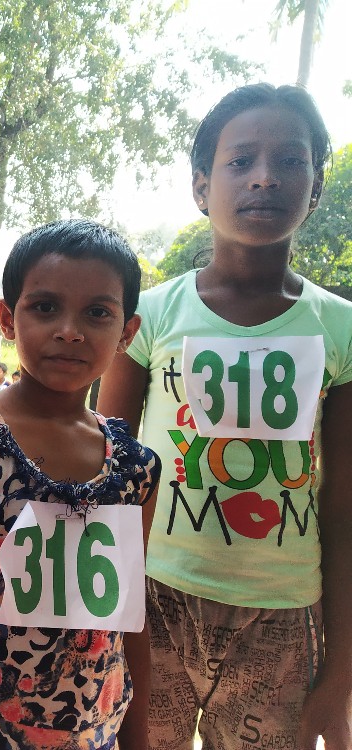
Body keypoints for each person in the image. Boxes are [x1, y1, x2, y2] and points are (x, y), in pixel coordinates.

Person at [97, 83, 352, 750]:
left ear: (316, 189)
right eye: (241, 161)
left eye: (291, 160)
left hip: (284, 619)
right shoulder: (149, 316)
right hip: (153, 601)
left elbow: (344, 509)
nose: (265, 177)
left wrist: (341, 675)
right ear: (201, 187)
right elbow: (106, 479)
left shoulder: (341, 329)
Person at [0, 219, 160, 750]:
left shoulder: (135, 470)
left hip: (94, 734)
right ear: (6, 318)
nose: (70, 330)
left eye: (98, 312)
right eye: (44, 307)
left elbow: (129, 623)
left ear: (128, 332)